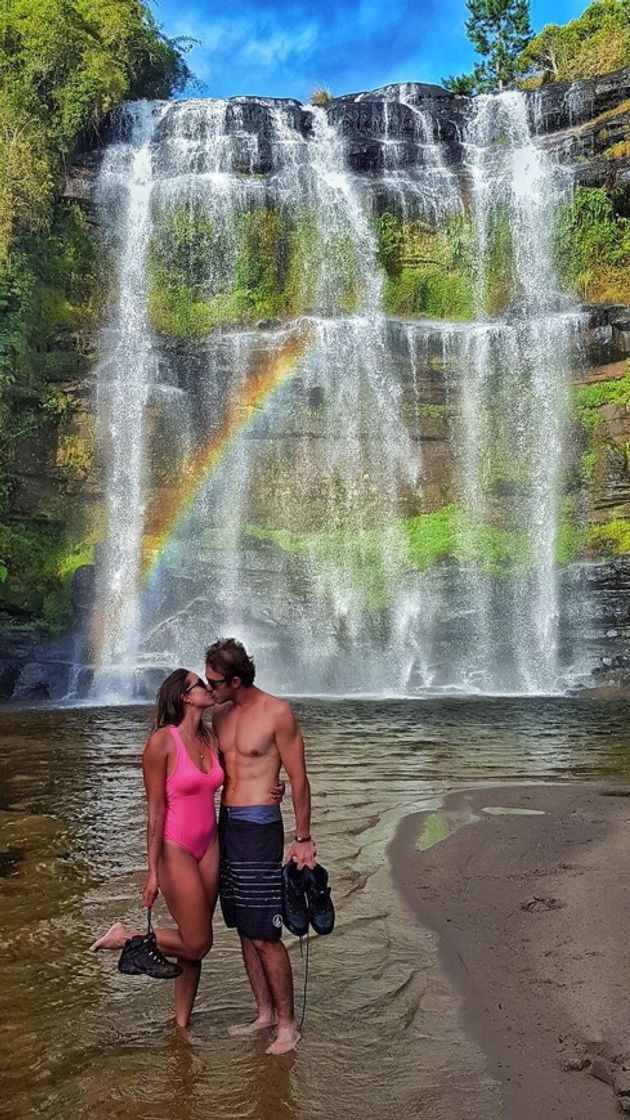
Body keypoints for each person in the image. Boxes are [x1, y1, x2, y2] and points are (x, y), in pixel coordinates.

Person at [90, 668, 283, 1034]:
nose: (210, 689)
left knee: (191, 947)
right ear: (185, 696)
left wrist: (276, 787)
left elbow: (244, 774)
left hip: (210, 844)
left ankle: (181, 1026)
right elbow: (155, 811)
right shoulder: (162, 742)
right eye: (201, 684)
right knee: (198, 941)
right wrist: (151, 872)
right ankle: (126, 936)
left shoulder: (209, 739)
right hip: (174, 847)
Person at [206, 637, 317, 1056]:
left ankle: (288, 1027)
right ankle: (264, 1013)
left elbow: (300, 777)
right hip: (227, 824)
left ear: (235, 680)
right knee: (241, 927)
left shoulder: (277, 713)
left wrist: (303, 838)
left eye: (214, 680)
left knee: (266, 932)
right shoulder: (218, 713)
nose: (208, 686)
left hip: (259, 827)